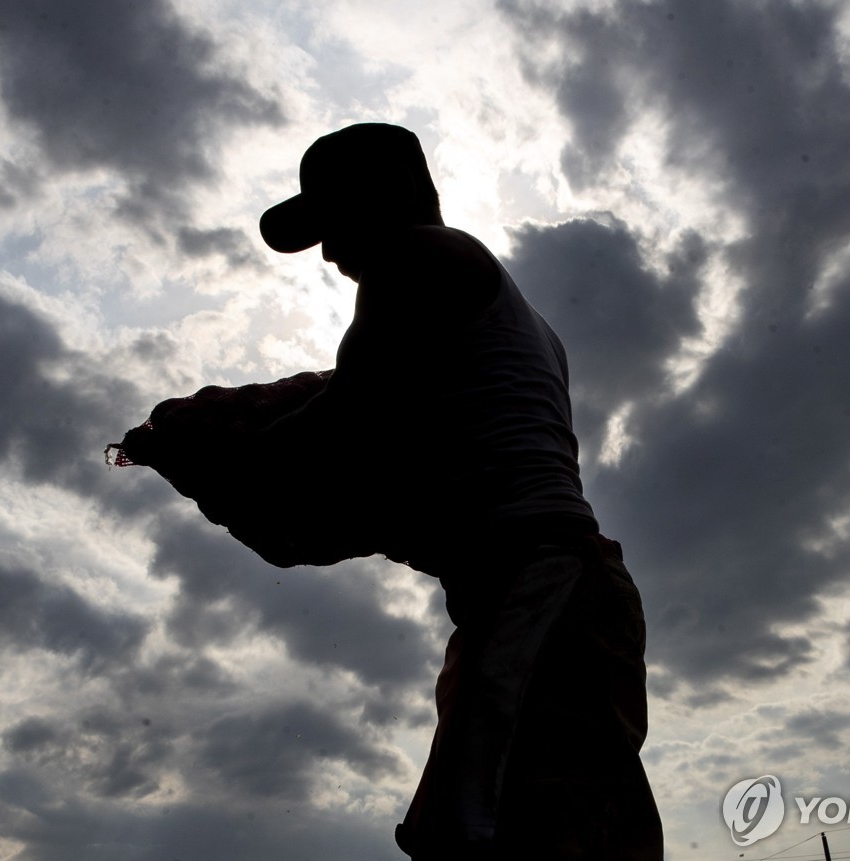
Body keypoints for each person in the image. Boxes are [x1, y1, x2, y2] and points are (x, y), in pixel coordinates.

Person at [257, 123, 663, 860]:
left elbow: (347, 418)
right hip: (560, 587)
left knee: (490, 833)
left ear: (386, 200)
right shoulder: (519, 321)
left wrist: (229, 447)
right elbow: (420, 461)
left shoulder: (416, 257)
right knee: (563, 821)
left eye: (335, 221)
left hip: (538, 584)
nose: (327, 251)